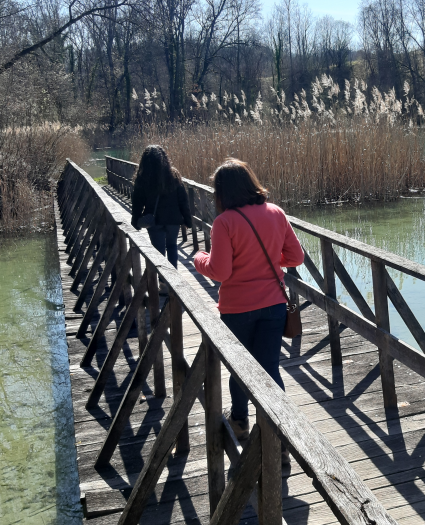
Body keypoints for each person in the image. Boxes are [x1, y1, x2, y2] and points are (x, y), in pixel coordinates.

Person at [193, 158, 303, 463]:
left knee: (240, 368)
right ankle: (279, 440)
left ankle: (239, 423)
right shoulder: (276, 213)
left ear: (222, 192)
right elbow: (296, 256)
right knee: (269, 368)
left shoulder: (225, 222)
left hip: (237, 308)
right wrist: (267, 256)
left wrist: (198, 259)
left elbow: (220, 271)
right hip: (273, 306)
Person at [130, 145, 192, 268]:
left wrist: (136, 221)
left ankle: (162, 279)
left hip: (154, 220)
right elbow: (183, 200)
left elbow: (137, 202)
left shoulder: (143, 177)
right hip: (173, 220)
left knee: (158, 251)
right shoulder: (174, 175)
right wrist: (187, 220)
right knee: (172, 247)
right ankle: (173, 279)